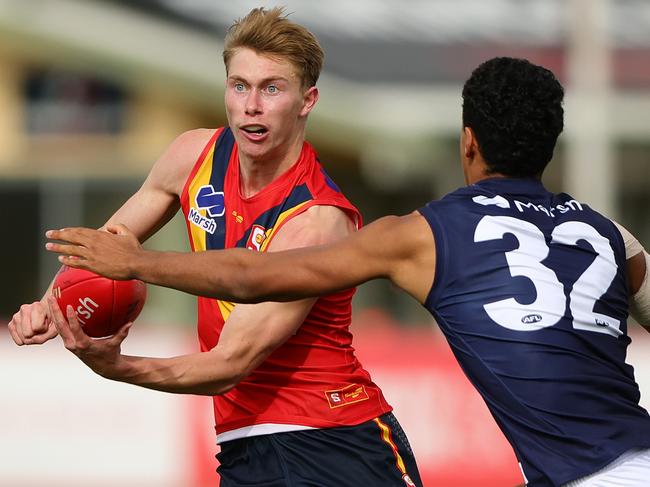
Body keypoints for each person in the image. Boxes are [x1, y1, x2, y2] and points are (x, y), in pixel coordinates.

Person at [44, 56, 650, 487]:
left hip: (580, 473)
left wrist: (138, 264)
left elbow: (256, 278)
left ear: (468, 142)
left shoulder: (420, 235)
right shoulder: (610, 236)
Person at [9, 7, 424, 487]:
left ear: (307, 101)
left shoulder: (315, 220)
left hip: (334, 443)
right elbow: (108, 250)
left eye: (272, 88)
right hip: (243, 446)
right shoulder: (192, 155)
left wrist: (118, 367)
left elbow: (230, 363)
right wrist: (49, 306)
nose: (251, 105)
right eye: (239, 85)